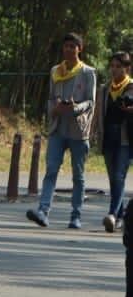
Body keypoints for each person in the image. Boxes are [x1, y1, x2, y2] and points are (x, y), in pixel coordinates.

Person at [28, 33, 96, 230]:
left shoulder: (88, 72)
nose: (69, 50)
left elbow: (91, 101)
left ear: (79, 49)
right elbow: (50, 97)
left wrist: (75, 107)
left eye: (73, 46)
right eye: (66, 46)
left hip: (78, 130)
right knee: (51, 170)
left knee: (78, 175)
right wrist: (55, 108)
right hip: (58, 128)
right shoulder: (55, 71)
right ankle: (43, 211)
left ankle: (76, 216)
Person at [103, 52, 133, 233]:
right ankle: (120, 217)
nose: (114, 70)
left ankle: (112, 214)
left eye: (118, 66)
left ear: (127, 68)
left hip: (125, 137)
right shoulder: (106, 88)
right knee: (113, 178)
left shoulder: (131, 86)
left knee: (119, 176)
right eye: (112, 66)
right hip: (108, 136)